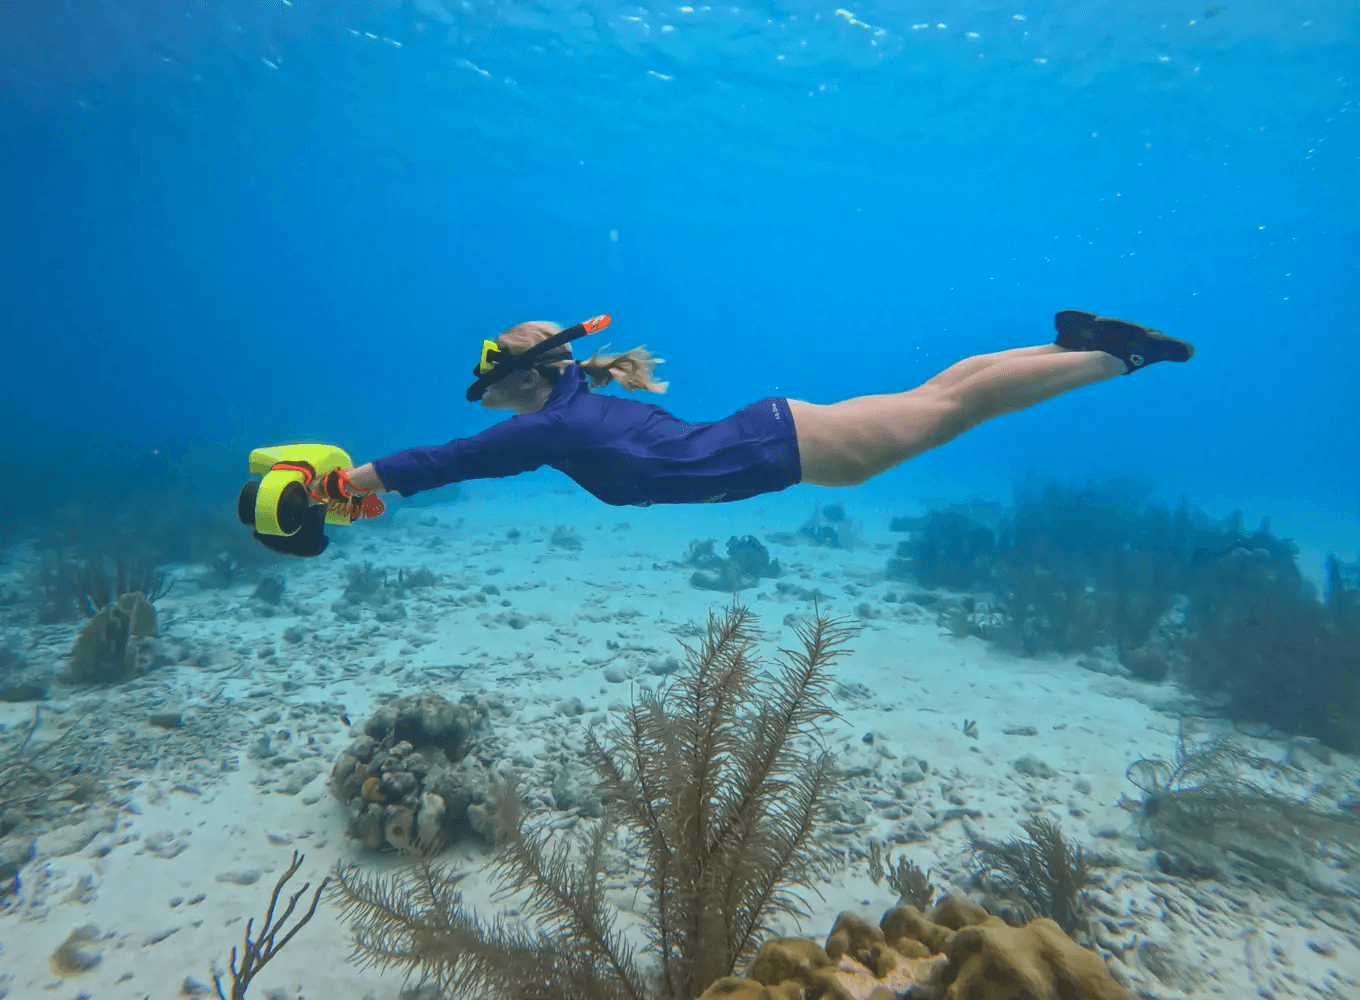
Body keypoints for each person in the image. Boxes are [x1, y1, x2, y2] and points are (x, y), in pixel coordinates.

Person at [315, 310, 1192, 510]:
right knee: (941, 399)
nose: (478, 371)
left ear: (531, 371)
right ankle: (1067, 343)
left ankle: (1116, 358)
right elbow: (456, 455)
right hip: (784, 435)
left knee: (955, 408)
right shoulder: (572, 400)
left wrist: (350, 479)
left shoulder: (550, 421)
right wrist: (371, 488)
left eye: (490, 360)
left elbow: (451, 457)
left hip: (797, 448)